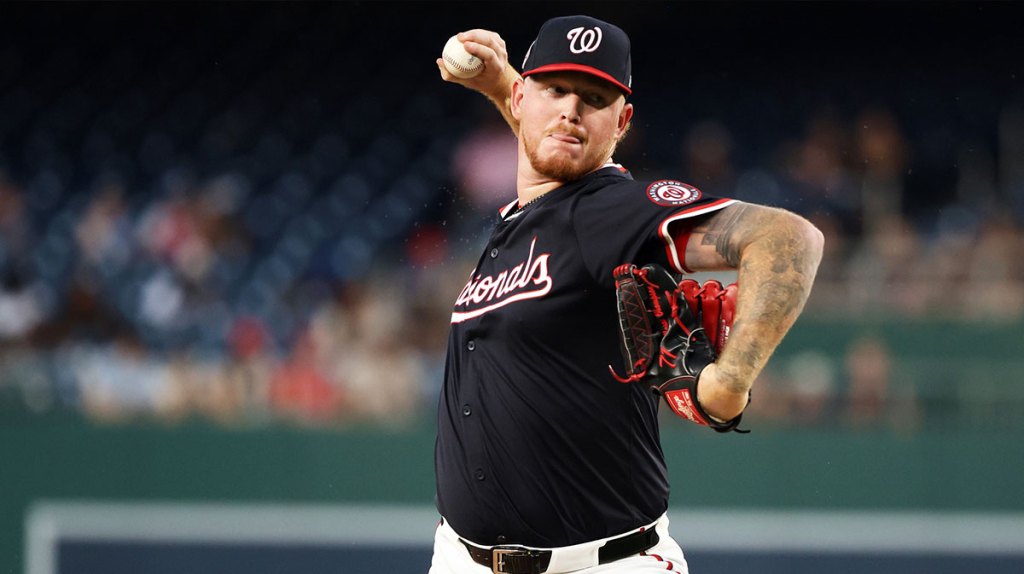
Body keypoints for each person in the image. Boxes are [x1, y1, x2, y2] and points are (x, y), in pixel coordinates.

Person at [430, 15, 824, 574]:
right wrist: (499, 85)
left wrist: (731, 380)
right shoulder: (529, 214)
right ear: (522, 97)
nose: (570, 109)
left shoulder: (612, 210)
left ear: (623, 121)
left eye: (594, 98)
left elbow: (789, 237)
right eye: (554, 90)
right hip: (460, 559)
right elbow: (548, 148)